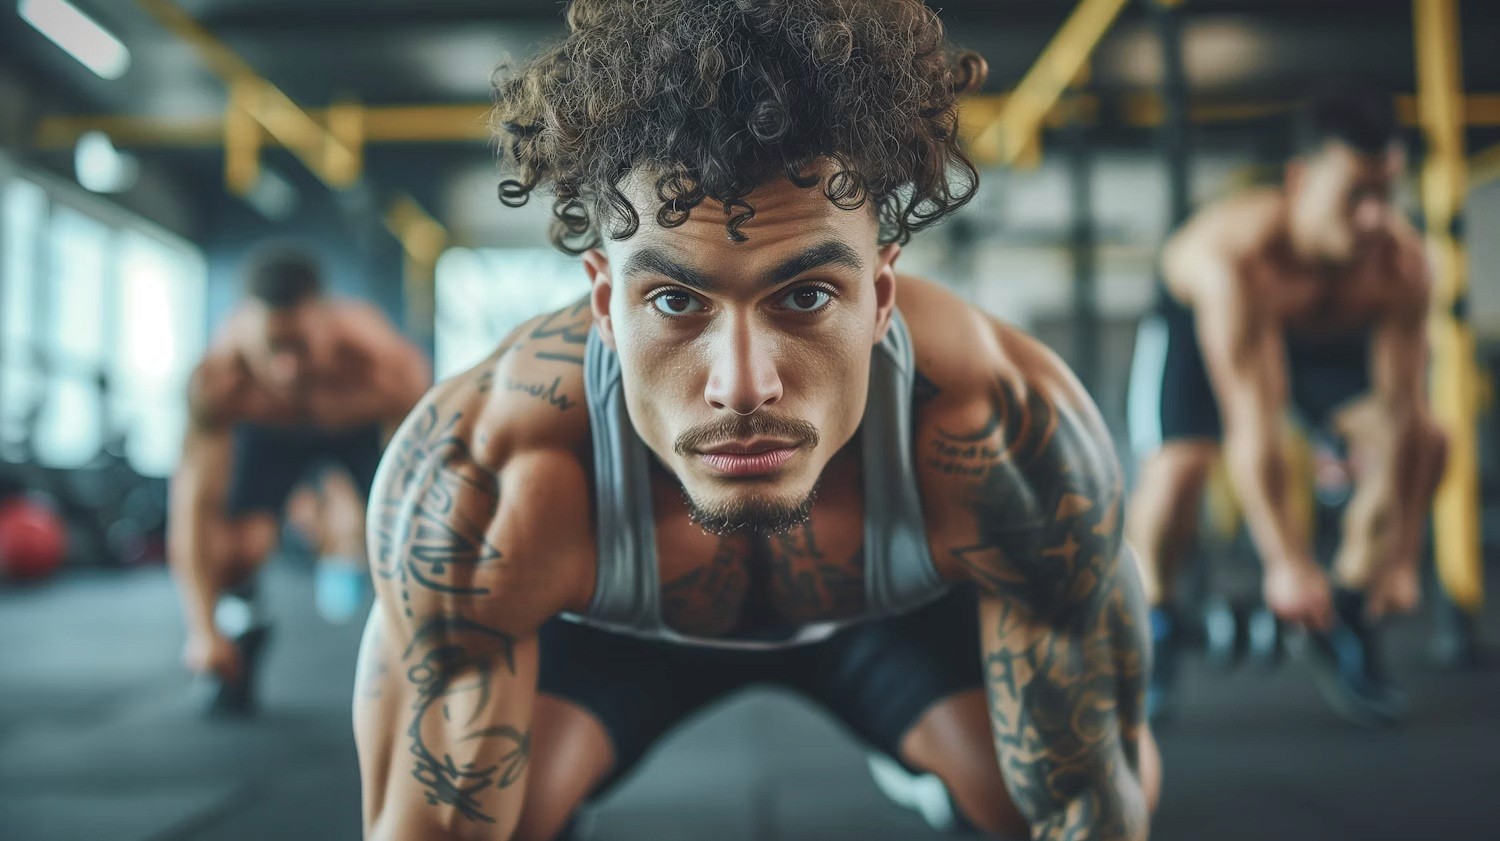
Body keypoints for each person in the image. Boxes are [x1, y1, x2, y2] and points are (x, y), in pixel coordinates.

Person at [355, 3, 1159, 839]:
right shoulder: (491, 471)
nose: (743, 386)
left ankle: (932, 767)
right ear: (605, 302)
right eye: (674, 300)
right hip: (613, 636)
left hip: (893, 623)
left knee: (1027, 808)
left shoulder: (1004, 434)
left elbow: (1091, 811)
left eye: (806, 295)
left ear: (880, 296)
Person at [1126, 88, 1448, 726]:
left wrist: (1404, 556)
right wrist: (1287, 563)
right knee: (1178, 473)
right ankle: (1153, 623)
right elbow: (1255, 421)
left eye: (1387, 194)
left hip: (1320, 346)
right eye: (1355, 195)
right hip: (1199, 335)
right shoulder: (1236, 259)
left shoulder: (1402, 265)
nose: (1375, 219)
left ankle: (1348, 611)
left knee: (1428, 440)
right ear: (1301, 181)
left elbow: (1406, 417)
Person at [168, 248, 430, 715]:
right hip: (272, 434)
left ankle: (431, 659)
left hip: (359, 430)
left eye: (300, 348)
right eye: (273, 348)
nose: (287, 369)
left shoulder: (383, 366)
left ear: (325, 321)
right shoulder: (221, 380)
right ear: (248, 325)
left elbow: (422, 481)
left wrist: (357, 522)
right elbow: (194, 503)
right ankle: (240, 626)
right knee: (236, 552)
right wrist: (201, 630)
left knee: (411, 540)